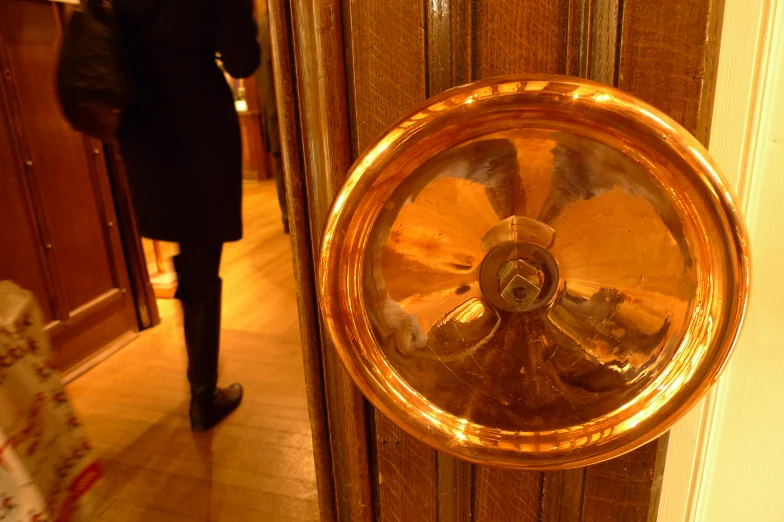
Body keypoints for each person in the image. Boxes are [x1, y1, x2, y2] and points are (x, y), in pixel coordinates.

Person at [114, 0, 260, 431]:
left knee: (176, 239)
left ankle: (201, 388)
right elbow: (242, 59)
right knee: (200, 257)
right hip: (196, 117)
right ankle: (202, 395)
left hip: (140, 119)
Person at [255, 10, 288, 233]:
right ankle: (290, 219)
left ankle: (289, 218)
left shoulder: (265, 22)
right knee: (285, 170)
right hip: (280, 114)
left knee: (282, 169)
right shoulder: (276, 21)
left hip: (274, 113)